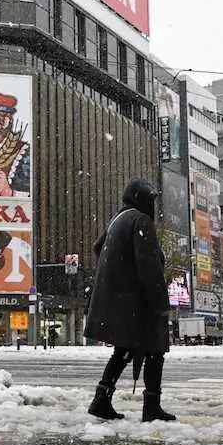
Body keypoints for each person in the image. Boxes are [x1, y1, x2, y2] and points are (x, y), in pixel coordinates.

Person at [85, 179, 174, 422]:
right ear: (142, 198)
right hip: (139, 302)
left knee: (123, 351)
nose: (152, 204)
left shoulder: (119, 219)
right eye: (151, 199)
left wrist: (118, 270)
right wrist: (161, 302)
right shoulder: (141, 220)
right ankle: (151, 406)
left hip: (121, 301)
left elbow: (97, 247)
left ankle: (102, 398)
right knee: (155, 351)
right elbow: (149, 266)